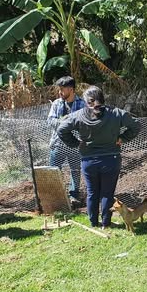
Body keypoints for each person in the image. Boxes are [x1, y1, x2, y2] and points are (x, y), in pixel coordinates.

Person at [57, 86, 141, 229]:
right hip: (111, 160)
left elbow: (61, 129)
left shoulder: (77, 115)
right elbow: (136, 125)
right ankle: (106, 223)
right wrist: (123, 138)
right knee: (107, 194)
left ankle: (93, 223)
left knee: (92, 193)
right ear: (103, 99)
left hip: (88, 161)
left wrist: (76, 143)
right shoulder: (116, 113)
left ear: (86, 101)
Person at [47, 76, 85, 205]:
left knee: (75, 170)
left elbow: (84, 123)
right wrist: (66, 122)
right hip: (57, 143)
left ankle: (73, 196)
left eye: (62, 89)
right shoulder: (57, 103)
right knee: (54, 170)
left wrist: (68, 123)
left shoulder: (82, 104)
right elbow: (50, 120)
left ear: (71, 89)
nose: (59, 92)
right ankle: (55, 197)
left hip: (75, 143)